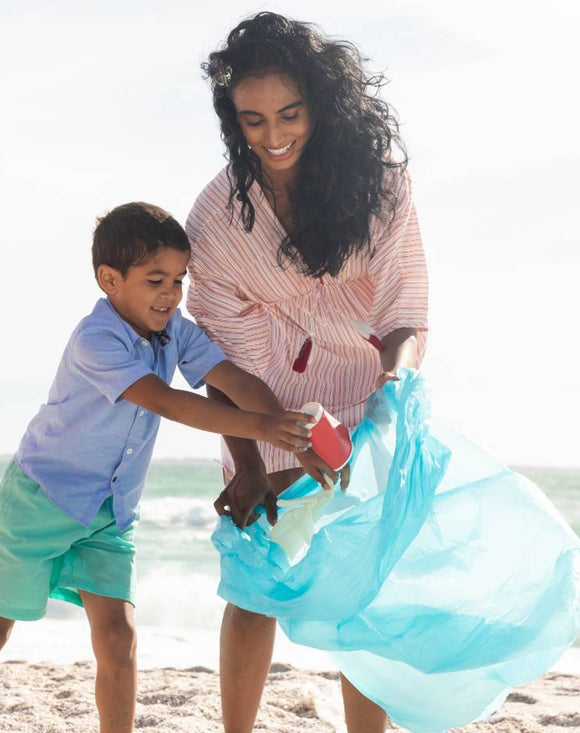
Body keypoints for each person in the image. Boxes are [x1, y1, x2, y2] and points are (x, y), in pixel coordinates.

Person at [0, 202, 317, 733]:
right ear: (110, 279)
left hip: (110, 513)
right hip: (40, 500)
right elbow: (168, 401)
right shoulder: (96, 339)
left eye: (179, 279)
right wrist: (264, 431)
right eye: (155, 280)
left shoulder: (177, 330)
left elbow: (233, 380)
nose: (171, 294)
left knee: (118, 636)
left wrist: (293, 434)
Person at [184, 13, 428, 733]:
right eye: (252, 119)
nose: (273, 134)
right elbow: (219, 360)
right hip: (267, 408)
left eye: (289, 114)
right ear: (234, 119)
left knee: (363, 587)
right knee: (255, 581)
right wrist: (254, 458)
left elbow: (405, 315)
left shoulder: (382, 188)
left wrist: (393, 389)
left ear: (321, 104)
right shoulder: (218, 217)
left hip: (369, 402)